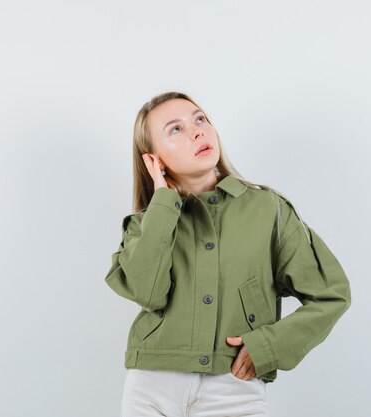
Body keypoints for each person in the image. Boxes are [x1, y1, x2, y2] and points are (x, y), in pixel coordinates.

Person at [105, 91, 351, 417]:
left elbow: (331, 295)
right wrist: (163, 203)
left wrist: (268, 346)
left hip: (234, 387)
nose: (197, 132)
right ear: (154, 159)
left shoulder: (267, 209)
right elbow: (148, 293)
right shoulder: (145, 225)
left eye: (200, 119)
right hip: (153, 385)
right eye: (175, 129)